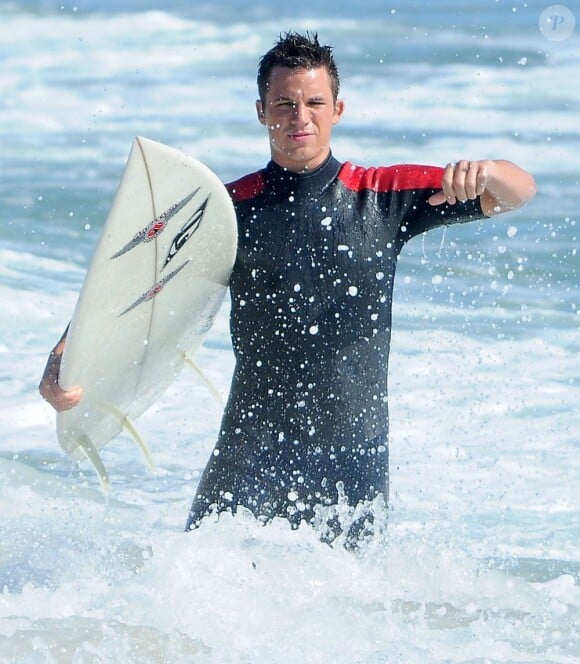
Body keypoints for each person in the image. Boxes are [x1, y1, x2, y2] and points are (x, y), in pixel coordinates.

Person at [40, 32, 536, 547]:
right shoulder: (227, 211)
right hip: (251, 448)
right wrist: (67, 354)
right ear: (261, 111)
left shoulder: (382, 196)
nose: (300, 115)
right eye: (284, 102)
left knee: (350, 616)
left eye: (314, 102)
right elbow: (132, 284)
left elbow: (517, 193)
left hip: (354, 454)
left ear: (338, 109)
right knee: (191, 595)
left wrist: (490, 171)